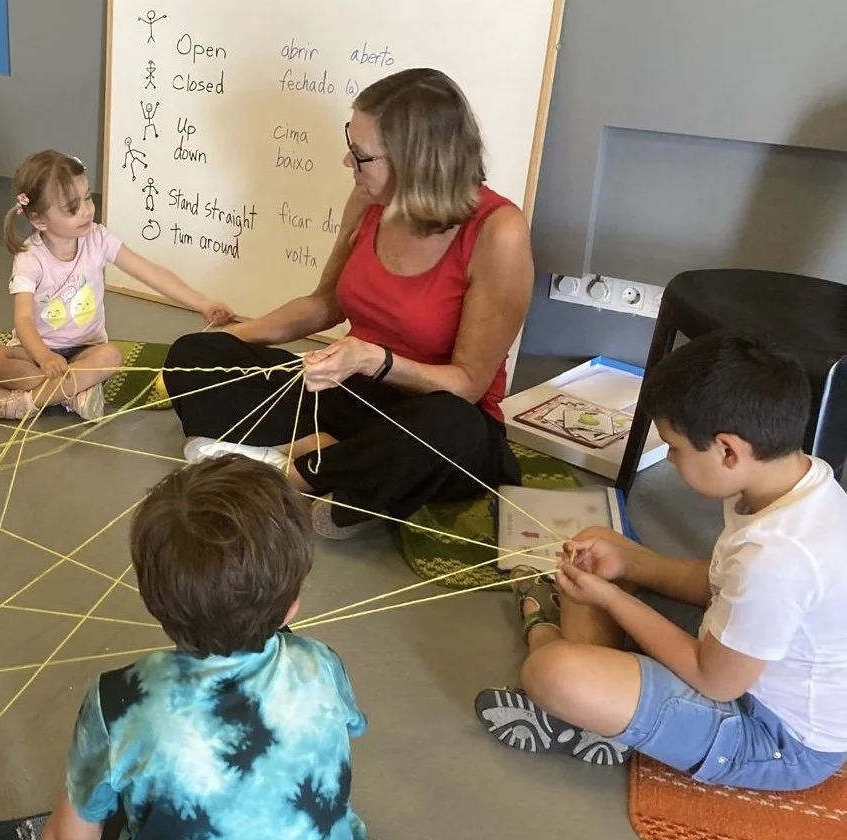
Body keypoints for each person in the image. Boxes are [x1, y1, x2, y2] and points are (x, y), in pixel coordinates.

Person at [0, 455, 378, 840]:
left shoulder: (119, 703)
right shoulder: (321, 664)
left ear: (152, 601)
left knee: (119, 804)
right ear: (291, 607)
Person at [162, 69, 532, 540]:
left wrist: (373, 359)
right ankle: (340, 471)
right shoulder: (367, 200)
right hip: (354, 392)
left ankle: (287, 476)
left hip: (437, 416)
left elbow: (467, 385)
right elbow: (324, 306)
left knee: (452, 427)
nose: (347, 161)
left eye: (360, 155)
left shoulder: (498, 232)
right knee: (192, 354)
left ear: (415, 160)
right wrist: (226, 343)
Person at [475, 333, 847, 791]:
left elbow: (715, 681)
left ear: (728, 450)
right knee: (598, 548)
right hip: (738, 662)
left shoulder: (778, 557)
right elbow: (716, 583)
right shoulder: (790, 481)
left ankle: (549, 643)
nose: (669, 459)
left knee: (552, 672)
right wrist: (628, 566)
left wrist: (611, 599)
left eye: (675, 447)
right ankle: (602, 704)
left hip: (772, 739)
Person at [0, 150, 234, 422]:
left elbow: (151, 273)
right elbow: (23, 320)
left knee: (111, 357)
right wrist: (44, 357)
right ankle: (73, 392)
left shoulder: (98, 239)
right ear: (39, 220)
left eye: (87, 197)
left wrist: (202, 303)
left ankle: (25, 403)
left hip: (86, 351)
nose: (86, 210)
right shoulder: (29, 258)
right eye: (72, 208)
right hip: (36, 354)